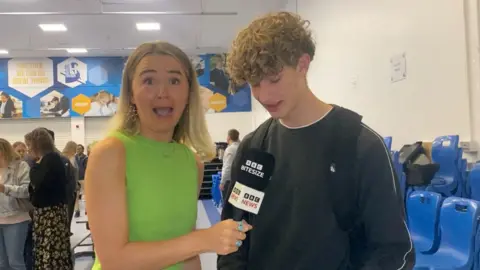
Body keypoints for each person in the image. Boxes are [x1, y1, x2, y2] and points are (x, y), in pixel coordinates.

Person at [217, 12, 414, 270]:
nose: (264, 94)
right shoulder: (255, 148)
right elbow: (235, 234)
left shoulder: (360, 146)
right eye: (255, 83)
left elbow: (392, 251)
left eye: (274, 78)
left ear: (303, 64)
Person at [85, 41, 253, 270]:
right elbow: (114, 260)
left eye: (174, 80)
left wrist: (198, 244)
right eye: (149, 80)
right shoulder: (111, 154)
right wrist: (203, 240)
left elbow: (187, 255)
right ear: (131, 93)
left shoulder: (192, 162)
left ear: (188, 94)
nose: (162, 93)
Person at [25, 128, 73, 269]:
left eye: (29, 145)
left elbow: (37, 182)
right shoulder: (47, 160)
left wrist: (34, 167)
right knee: (47, 250)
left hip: (51, 215)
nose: (28, 150)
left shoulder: (51, 159)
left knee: (51, 250)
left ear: (36, 145)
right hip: (46, 214)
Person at [0, 138, 32, 270]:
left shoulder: (21, 166)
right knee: (2, 264)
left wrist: (5, 188)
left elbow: (26, 191)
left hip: (16, 219)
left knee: (15, 262)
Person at [219, 129, 241, 199]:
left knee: (227, 203)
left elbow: (228, 167)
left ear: (229, 137)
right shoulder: (241, 147)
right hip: (239, 180)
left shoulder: (230, 149)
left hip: (229, 181)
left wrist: (222, 182)